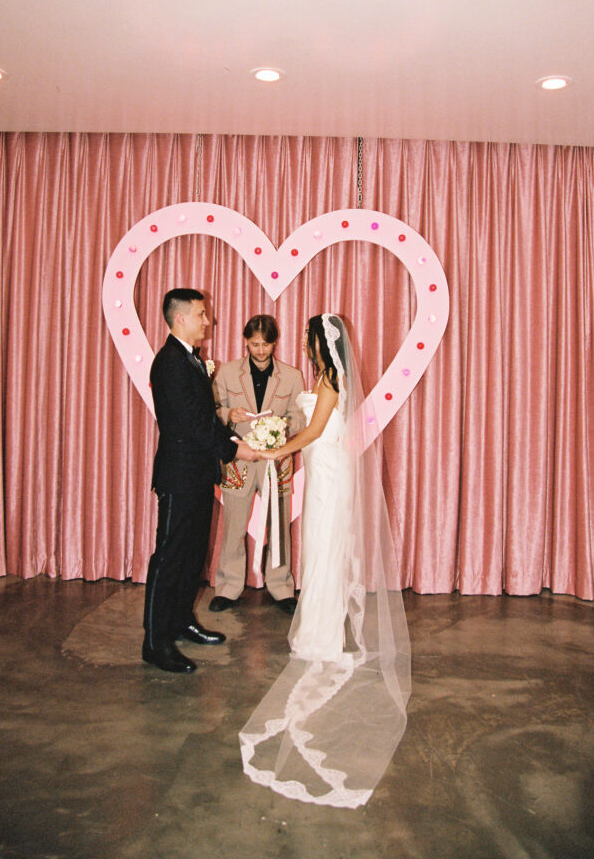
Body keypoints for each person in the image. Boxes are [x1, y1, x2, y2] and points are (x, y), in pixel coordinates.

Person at [239, 314, 411, 807]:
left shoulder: (332, 381)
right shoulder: (320, 376)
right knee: (319, 551)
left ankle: (324, 636)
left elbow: (315, 432)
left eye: (311, 339)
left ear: (322, 343)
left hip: (329, 472)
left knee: (326, 551)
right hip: (321, 473)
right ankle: (322, 627)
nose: (307, 345)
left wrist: (272, 453)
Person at [142, 288, 258, 674]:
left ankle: (180, 620)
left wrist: (227, 424)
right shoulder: (170, 363)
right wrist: (235, 451)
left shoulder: (191, 358)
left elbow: (202, 416)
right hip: (179, 475)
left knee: (192, 554)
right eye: (202, 314)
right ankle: (155, 642)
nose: (208, 321)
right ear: (181, 320)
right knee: (169, 556)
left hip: (196, 473)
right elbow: (190, 425)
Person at [210, 315, 305, 614]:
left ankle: (281, 588)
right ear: (245, 341)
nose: (260, 350)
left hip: (277, 461)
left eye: (266, 344)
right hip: (239, 459)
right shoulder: (226, 373)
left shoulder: (292, 376)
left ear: (275, 342)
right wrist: (228, 415)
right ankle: (228, 587)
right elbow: (211, 410)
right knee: (234, 526)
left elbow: (301, 417)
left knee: (279, 527)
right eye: (254, 344)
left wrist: (279, 428)